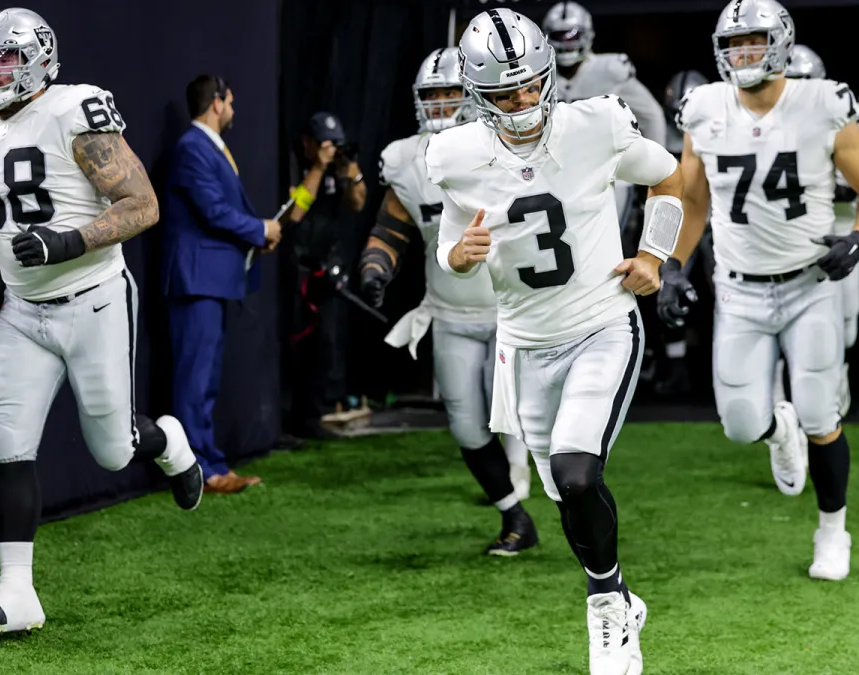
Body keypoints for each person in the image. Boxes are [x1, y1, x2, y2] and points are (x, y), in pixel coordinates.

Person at [432, 9, 688, 672]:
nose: (522, 102)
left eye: (530, 85)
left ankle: (605, 606)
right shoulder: (456, 153)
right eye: (505, 93)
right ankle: (623, 596)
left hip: (602, 322)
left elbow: (669, 176)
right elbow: (450, 246)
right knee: (564, 492)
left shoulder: (593, 124)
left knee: (579, 474)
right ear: (476, 96)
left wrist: (655, 256)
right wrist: (462, 254)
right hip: (525, 342)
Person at [0, 8, 203, 641]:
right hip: (25, 313)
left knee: (114, 451)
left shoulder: (73, 110)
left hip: (93, 298)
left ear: (38, 61)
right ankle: (16, 594)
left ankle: (169, 443)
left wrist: (67, 241)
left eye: (5, 59)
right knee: (5, 440)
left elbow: (141, 205)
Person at [660, 0, 859, 582]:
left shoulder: (821, 101)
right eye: (734, 44)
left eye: (754, 41)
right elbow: (692, 200)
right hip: (738, 291)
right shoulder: (704, 108)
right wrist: (673, 265)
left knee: (822, 412)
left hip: (810, 283)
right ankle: (775, 429)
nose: (743, 54)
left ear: (782, 43)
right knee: (740, 424)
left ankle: (833, 531)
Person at [359, 48, 536, 555]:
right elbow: (391, 228)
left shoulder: (507, 147)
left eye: (450, 93)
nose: (439, 105)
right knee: (464, 423)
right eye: (432, 95)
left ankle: (555, 491)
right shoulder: (405, 159)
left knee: (518, 415)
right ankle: (514, 516)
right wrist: (376, 268)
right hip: (451, 313)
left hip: (511, 309)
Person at [162, 75, 279, 493]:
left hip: (211, 279)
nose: (233, 109)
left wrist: (253, 237)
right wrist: (260, 228)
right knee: (195, 380)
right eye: (230, 101)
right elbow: (212, 210)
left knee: (205, 378)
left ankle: (208, 463)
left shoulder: (207, 148)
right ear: (216, 102)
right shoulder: (193, 148)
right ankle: (199, 471)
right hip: (197, 280)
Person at [777, 44, 859, 417]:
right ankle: (778, 399)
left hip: (838, 221)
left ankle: (835, 376)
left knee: (847, 318)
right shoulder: (758, 117)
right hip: (785, 227)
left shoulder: (843, 110)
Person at [542, 1, 667, 235]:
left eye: (572, 35)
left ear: (587, 35)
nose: (566, 42)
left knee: (606, 236)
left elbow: (651, 116)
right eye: (560, 36)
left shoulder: (610, 70)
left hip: (607, 169)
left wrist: (653, 166)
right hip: (554, 169)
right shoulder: (540, 74)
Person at [283, 112, 366, 440]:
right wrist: (317, 167)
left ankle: (314, 416)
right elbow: (296, 210)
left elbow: (358, 205)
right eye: (326, 145)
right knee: (297, 345)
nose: (331, 151)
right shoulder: (295, 164)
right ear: (308, 143)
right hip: (296, 267)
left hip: (328, 266)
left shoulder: (338, 168)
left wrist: (352, 175)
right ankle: (289, 416)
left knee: (327, 343)